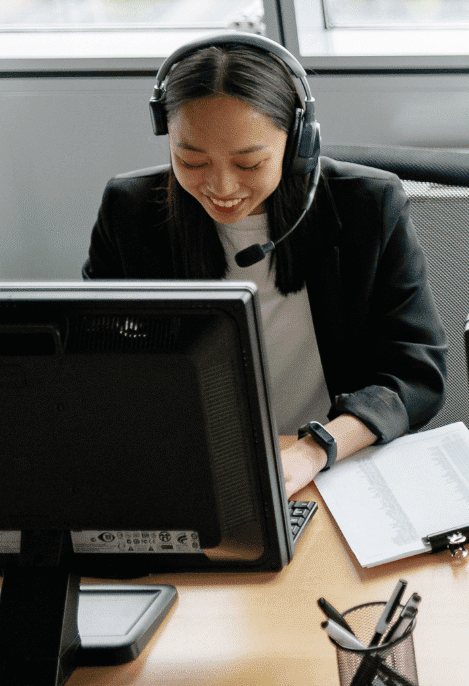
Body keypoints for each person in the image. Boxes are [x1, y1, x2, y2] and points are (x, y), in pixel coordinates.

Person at [84, 33, 447, 495]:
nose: (221, 186)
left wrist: (314, 450)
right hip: (194, 466)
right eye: (190, 160)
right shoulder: (130, 211)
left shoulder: (367, 207)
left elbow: (416, 373)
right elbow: (95, 364)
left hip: (335, 463)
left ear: (298, 145)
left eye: (249, 164)